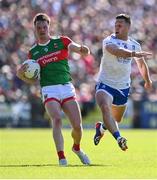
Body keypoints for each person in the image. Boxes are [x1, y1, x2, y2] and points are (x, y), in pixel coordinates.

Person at [16, 13, 91, 166]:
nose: (42, 30)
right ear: (35, 29)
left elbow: (74, 47)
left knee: (77, 126)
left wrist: (82, 49)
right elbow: (32, 79)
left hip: (66, 87)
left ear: (49, 26)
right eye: (39, 28)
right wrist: (21, 75)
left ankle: (76, 148)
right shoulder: (33, 52)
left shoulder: (61, 41)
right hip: (49, 89)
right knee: (56, 119)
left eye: (44, 27)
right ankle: (61, 157)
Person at [94, 14, 152, 151]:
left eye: (120, 25)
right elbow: (116, 51)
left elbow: (142, 65)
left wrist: (148, 80)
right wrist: (133, 54)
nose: (116, 27)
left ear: (128, 27)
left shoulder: (134, 44)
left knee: (116, 119)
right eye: (115, 25)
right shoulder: (109, 41)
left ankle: (101, 127)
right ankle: (119, 138)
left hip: (123, 87)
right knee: (105, 107)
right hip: (105, 84)